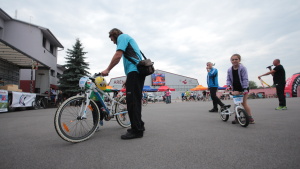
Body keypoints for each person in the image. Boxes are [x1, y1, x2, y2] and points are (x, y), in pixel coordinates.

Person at [101, 28, 145, 139]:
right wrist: (128, 78)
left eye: (112, 39)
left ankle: (136, 130)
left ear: (114, 35)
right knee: (135, 100)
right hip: (135, 73)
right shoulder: (127, 39)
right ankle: (139, 125)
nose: (113, 42)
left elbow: (118, 55)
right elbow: (132, 59)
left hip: (134, 72)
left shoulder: (122, 37)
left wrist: (108, 69)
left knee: (132, 101)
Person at [226, 54, 255, 124]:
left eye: (236, 59)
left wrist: (245, 88)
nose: (234, 61)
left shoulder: (243, 68)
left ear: (239, 60)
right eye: (232, 60)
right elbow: (228, 79)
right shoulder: (229, 70)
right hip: (235, 88)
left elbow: (245, 79)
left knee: (244, 103)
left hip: (243, 87)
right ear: (231, 61)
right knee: (236, 103)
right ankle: (237, 117)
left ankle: (250, 117)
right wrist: (228, 85)